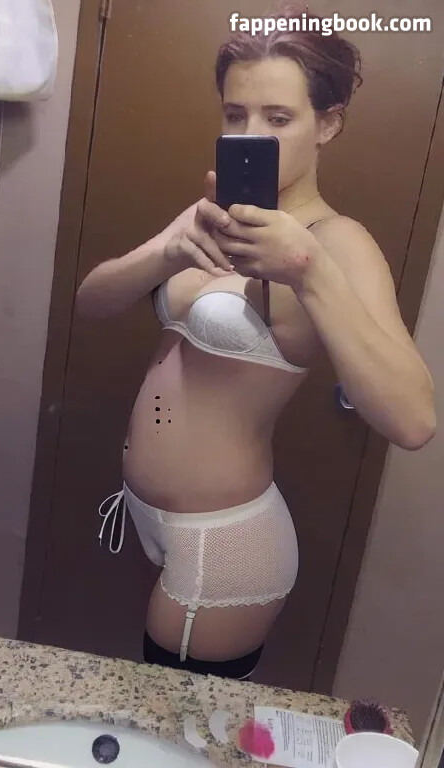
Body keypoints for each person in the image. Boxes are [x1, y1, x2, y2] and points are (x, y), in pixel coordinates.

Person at [75, 8, 436, 680]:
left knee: (174, 719)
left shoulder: (337, 243)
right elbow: (91, 302)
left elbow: (414, 421)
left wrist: (310, 273)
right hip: (151, 517)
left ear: (327, 124)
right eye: (234, 115)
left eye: (277, 118)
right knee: (167, 716)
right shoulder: (212, 215)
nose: (249, 136)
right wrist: (166, 253)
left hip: (227, 540)